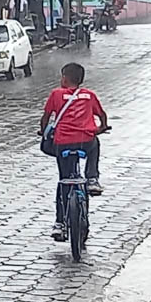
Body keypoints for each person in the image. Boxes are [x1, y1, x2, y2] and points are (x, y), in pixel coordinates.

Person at [39, 63, 108, 240]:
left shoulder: (56, 94)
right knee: (95, 143)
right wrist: (100, 128)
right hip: (85, 142)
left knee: (64, 180)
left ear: (65, 78)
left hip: (63, 144)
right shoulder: (89, 95)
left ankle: (60, 223)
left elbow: (46, 118)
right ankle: (92, 178)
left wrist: (43, 132)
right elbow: (102, 116)